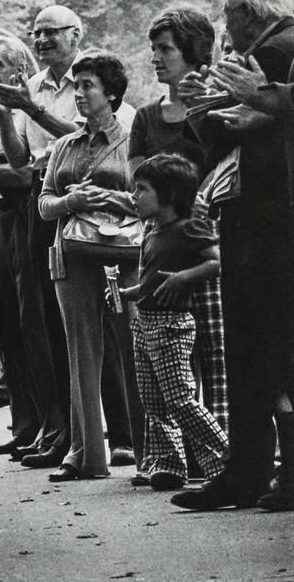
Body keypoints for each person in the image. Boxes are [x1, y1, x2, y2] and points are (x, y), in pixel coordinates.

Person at [171, 0, 294, 512]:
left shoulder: (280, 49)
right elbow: (223, 137)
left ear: (249, 10)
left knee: (269, 349)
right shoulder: (265, 52)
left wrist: (237, 102)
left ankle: (265, 473)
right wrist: (201, 105)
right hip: (249, 216)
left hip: (271, 219)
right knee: (251, 351)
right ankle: (248, 471)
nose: (224, 25)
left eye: (227, 13)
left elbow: (241, 126)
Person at [127, 7, 228, 485]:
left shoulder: (220, 105)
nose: (156, 58)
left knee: (212, 351)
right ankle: (169, 459)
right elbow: (144, 178)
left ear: (192, 51)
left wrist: (203, 110)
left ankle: (221, 459)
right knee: (158, 365)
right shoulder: (147, 116)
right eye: (154, 49)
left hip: (206, 237)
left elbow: (220, 165)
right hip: (161, 238)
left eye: (165, 49)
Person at [37, 52, 145, 482]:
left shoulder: (135, 139)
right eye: (76, 86)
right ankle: (84, 455)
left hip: (125, 257)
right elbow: (44, 204)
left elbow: (150, 197)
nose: (78, 94)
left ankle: (151, 451)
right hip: (73, 257)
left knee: (136, 350)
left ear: (112, 94)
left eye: (87, 86)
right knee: (80, 354)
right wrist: (70, 201)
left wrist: (111, 200)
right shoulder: (64, 145)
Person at [0, 35, 67, 460]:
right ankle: (26, 423)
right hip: (0, 220)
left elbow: (20, 170)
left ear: (19, 69)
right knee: (9, 325)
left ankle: (53, 425)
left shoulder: (26, 101)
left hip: (30, 210)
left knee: (36, 325)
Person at [116, 154, 228, 491]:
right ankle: (168, 463)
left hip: (172, 326)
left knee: (180, 398)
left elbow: (215, 263)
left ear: (169, 195)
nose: (134, 196)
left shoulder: (189, 227)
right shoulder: (152, 231)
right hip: (146, 324)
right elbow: (152, 279)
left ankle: (226, 457)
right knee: (153, 401)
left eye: (142, 189)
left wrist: (182, 278)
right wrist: (131, 292)